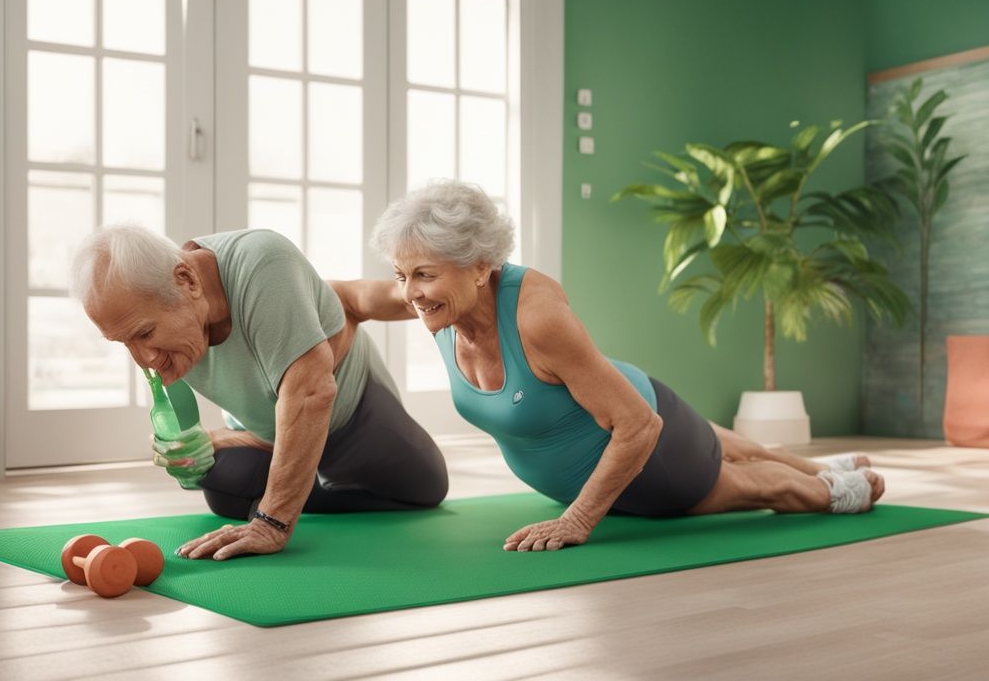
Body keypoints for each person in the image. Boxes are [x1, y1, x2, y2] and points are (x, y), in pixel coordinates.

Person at [336, 180, 885, 552]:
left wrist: (576, 520)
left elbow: (639, 427)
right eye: (402, 274)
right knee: (747, 448)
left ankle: (842, 489)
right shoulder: (431, 297)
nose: (409, 293)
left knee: (762, 488)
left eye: (423, 275)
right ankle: (814, 464)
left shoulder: (536, 317)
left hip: (652, 457)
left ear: (479, 268)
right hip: (614, 423)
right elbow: (349, 297)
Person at [71, 226, 448, 560]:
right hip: (274, 431)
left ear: (186, 280)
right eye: (124, 343)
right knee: (218, 484)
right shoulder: (167, 312)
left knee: (427, 485)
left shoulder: (262, 262)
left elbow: (312, 394)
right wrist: (195, 443)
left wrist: (271, 521)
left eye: (144, 335)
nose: (144, 359)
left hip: (352, 417)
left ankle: (301, 487)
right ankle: (301, 478)